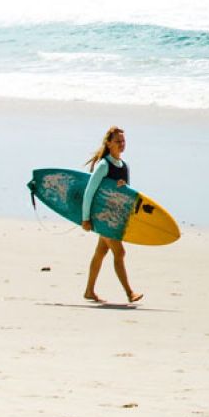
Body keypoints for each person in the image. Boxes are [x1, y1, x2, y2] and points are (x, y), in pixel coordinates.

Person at [81, 126, 143, 304]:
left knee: (100, 252)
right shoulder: (103, 165)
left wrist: (123, 188)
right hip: (102, 218)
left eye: (123, 141)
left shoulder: (124, 166)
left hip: (115, 218)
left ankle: (89, 291)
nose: (121, 144)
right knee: (120, 252)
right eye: (117, 141)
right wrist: (86, 218)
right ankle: (130, 292)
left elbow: (125, 196)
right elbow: (89, 191)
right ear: (109, 143)